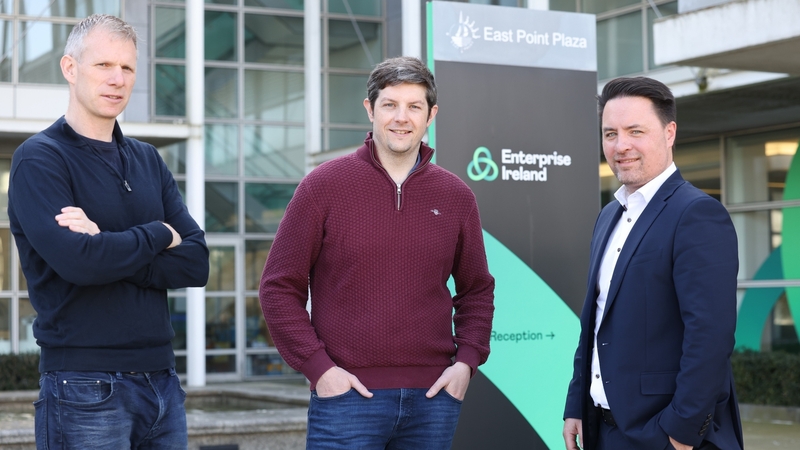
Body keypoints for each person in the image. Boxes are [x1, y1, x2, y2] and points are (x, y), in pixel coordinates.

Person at [259, 56, 495, 449]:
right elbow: (278, 287)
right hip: (346, 398)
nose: (401, 118)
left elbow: (476, 289)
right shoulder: (323, 187)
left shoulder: (456, 196)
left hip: (433, 400)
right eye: (390, 105)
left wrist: (466, 364)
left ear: (430, 114)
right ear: (370, 109)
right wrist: (320, 369)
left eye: (414, 106)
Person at [8, 14, 208, 449]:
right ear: (70, 68)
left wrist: (106, 243)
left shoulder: (148, 160)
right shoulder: (40, 160)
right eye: (103, 65)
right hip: (84, 385)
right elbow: (79, 263)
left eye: (128, 68)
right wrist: (157, 233)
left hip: (163, 382)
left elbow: (197, 262)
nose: (117, 79)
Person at [562, 77, 743, 450]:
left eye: (635, 131)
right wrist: (576, 404)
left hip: (664, 436)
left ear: (669, 132)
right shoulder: (608, 216)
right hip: (605, 430)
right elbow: (596, 322)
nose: (621, 145)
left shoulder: (697, 214)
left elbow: (710, 337)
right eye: (610, 133)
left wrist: (681, 432)